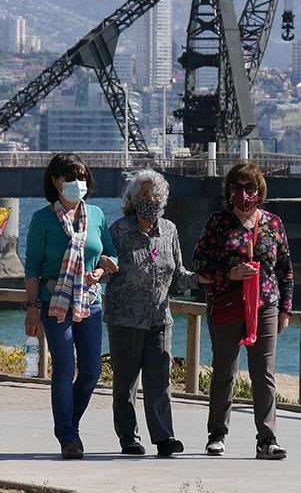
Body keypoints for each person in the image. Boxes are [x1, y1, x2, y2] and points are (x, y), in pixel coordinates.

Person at [192, 162, 293, 460]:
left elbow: (285, 269)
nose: (244, 194)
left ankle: (267, 438)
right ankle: (217, 435)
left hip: (265, 305)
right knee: (225, 369)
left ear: (260, 191)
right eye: (237, 187)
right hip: (227, 304)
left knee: (264, 373)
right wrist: (229, 273)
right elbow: (199, 262)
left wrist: (286, 308)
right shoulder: (217, 223)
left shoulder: (273, 224)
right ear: (228, 191)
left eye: (250, 188)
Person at [23, 152, 117, 460]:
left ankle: (70, 426)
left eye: (82, 177)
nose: (78, 183)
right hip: (55, 302)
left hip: (90, 301)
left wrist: (102, 271)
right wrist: (33, 307)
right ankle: (67, 436)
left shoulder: (98, 216)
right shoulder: (43, 219)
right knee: (64, 367)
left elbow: (112, 255)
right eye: (70, 177)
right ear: (55, 181)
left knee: (91, 371)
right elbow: (33, 267)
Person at [103, 169, 198, 457]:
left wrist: (202, 278)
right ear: (133, 198)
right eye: (144, 195)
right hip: (125, 318)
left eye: (155, 195)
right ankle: (129, 437)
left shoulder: (169, 230)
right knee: (126, 383)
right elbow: (105, 269)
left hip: (159, 318)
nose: (150, 200)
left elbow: (178, 275)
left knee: (160, 381)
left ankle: (164, 437)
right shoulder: (119, 230)